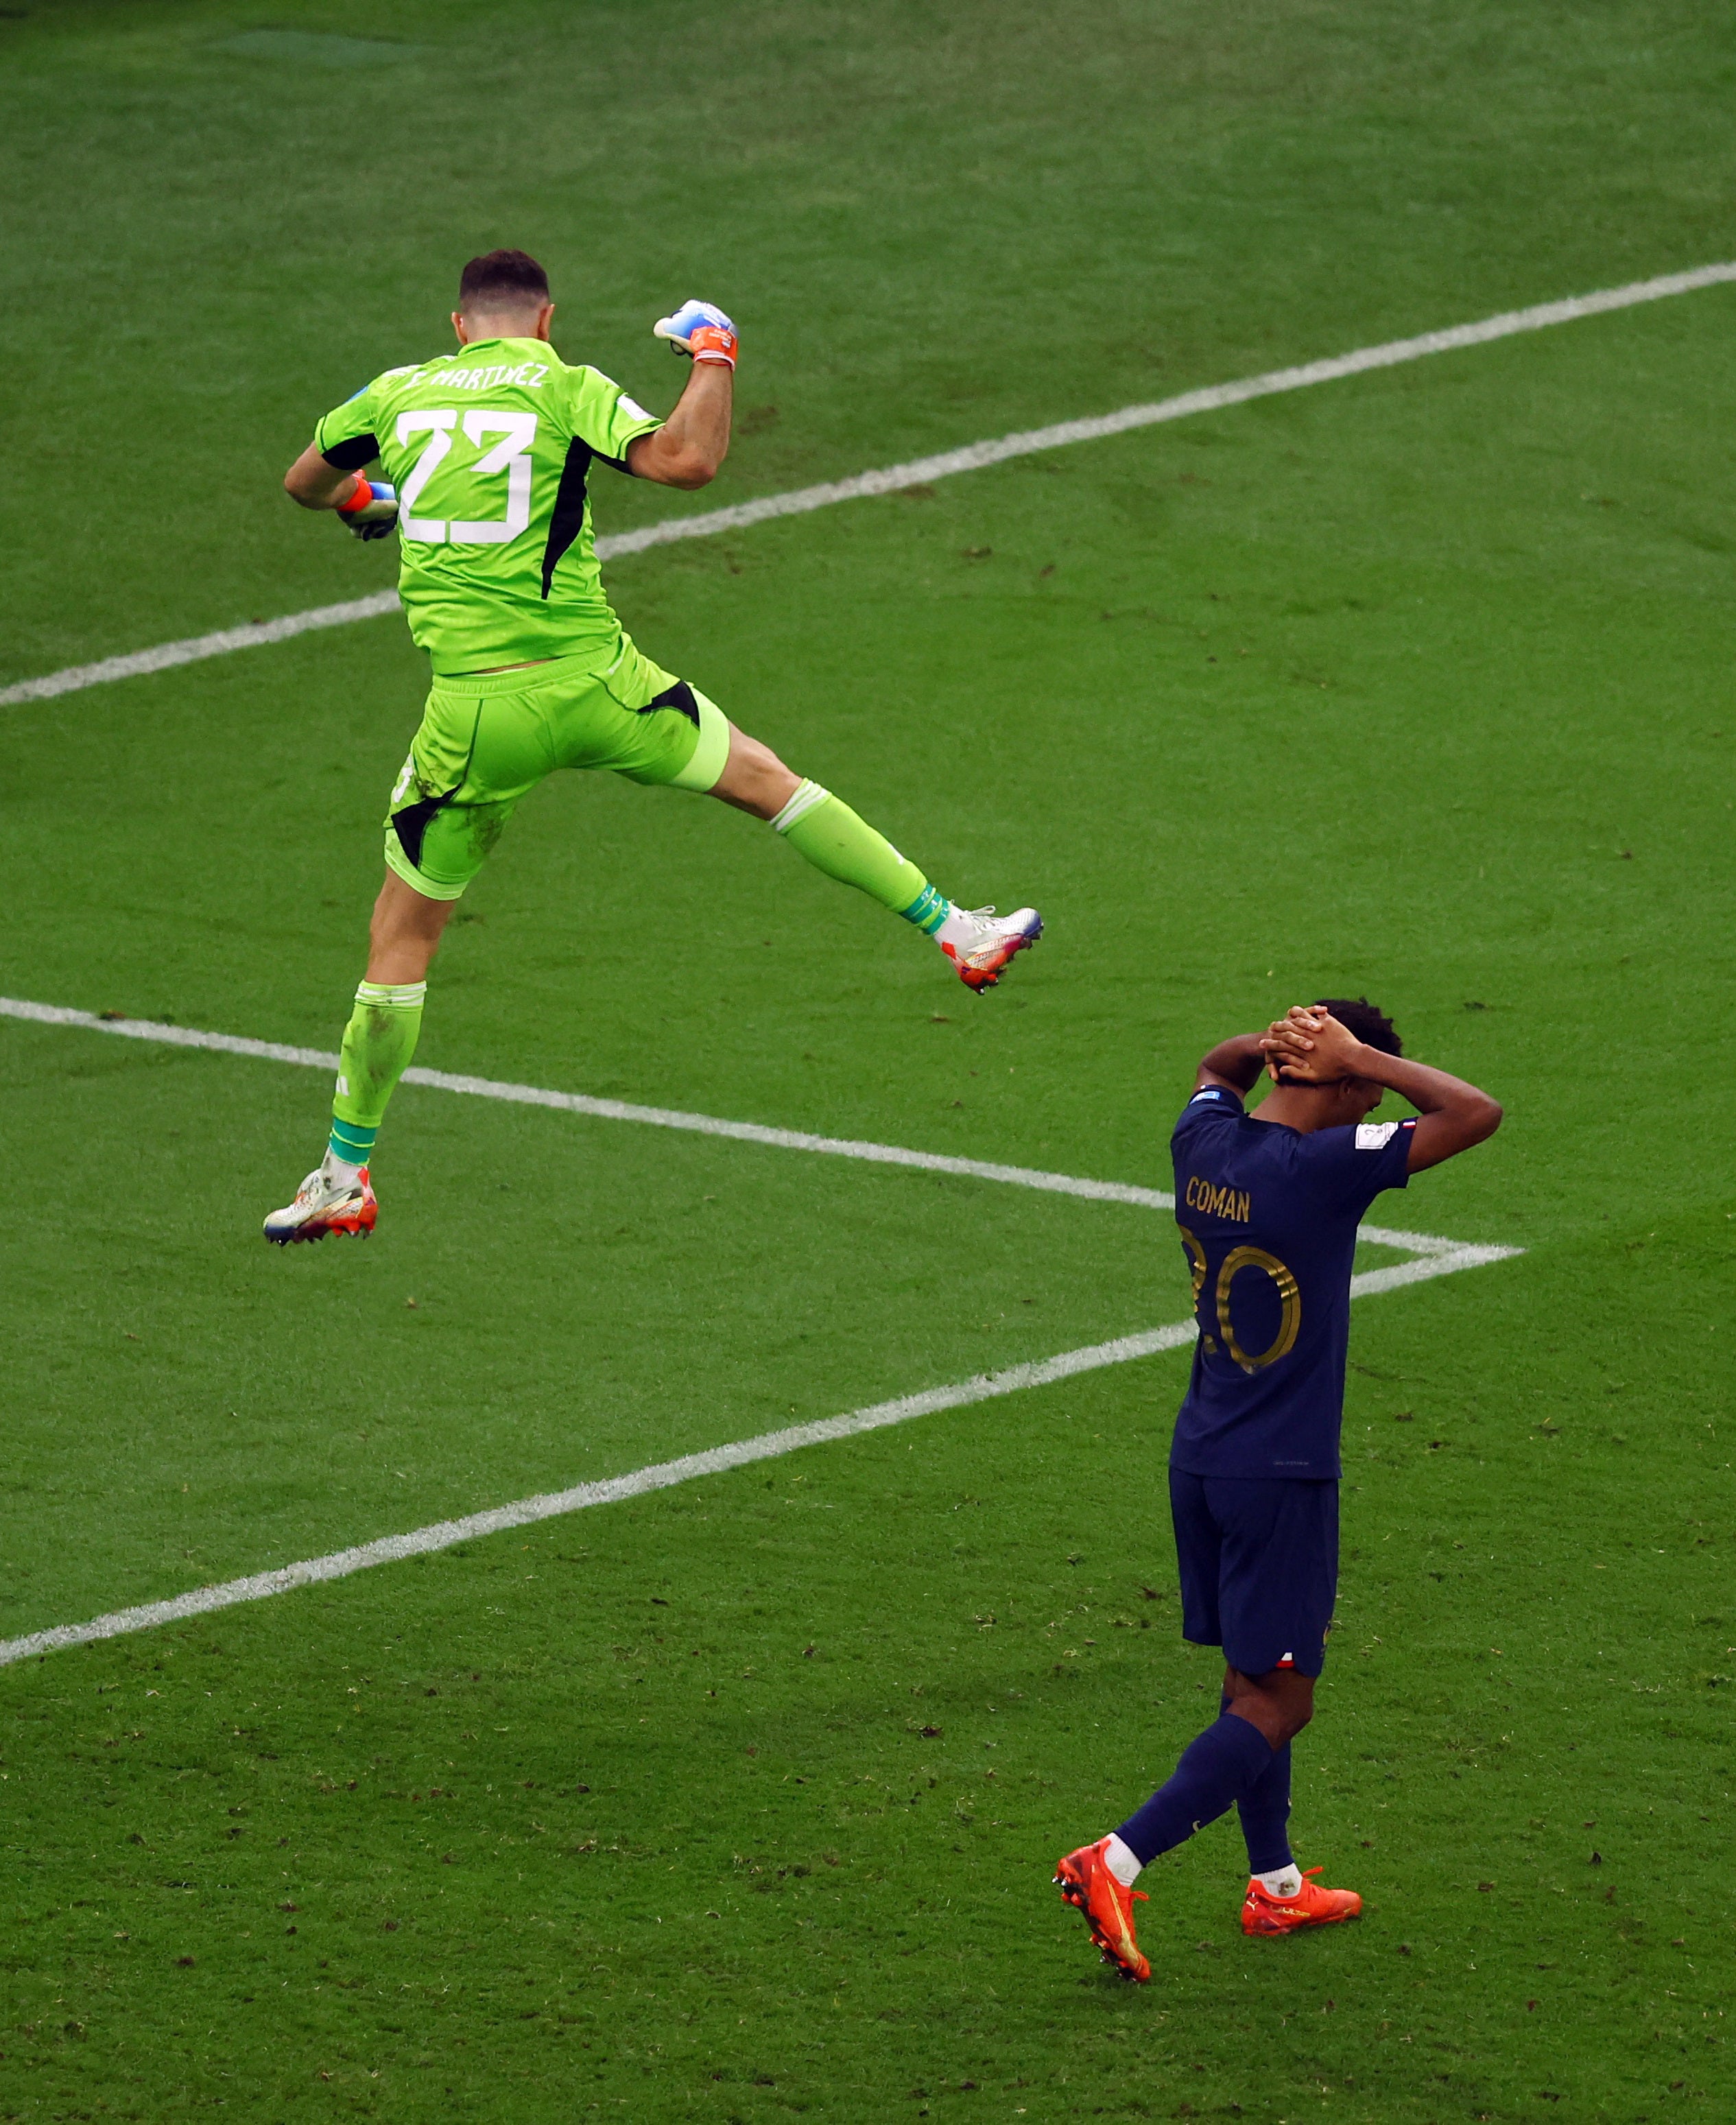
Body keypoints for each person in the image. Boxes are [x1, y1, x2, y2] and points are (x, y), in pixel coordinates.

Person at [264, 249, 1041, 1243]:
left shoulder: (395, 394)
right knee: (768, 780)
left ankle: (344, 1173)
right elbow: (688, 460)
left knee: (401, 937)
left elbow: (302, 483)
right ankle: (957, 932)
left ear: (458, 326)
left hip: (472, 724)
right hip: (601, 686)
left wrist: (370, 501)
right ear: (544, 321)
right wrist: (712, 356)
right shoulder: (563, 385)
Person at [1054, 998, 1501, 1980]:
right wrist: (1363, 1060)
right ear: (1339, 1079)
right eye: (1366, 1088)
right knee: (1284, 1702)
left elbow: (1216, 1062)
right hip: (1282, 1472)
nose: (1373, 1104)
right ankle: (1116, 1857)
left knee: (1251, 1673)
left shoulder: (1203, 1138)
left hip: (1201, 1455)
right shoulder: (1324, 1170)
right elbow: (1476, 1112)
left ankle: (1276, 1884)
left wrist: (1274, 1047)